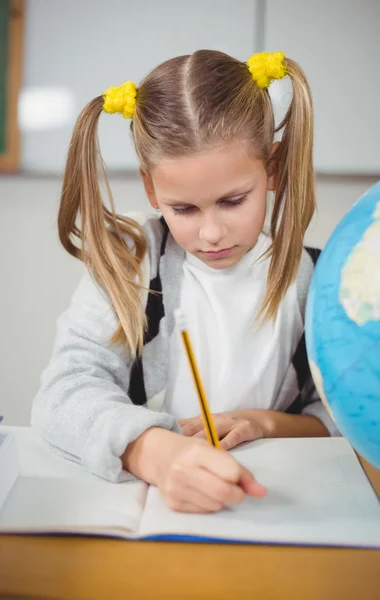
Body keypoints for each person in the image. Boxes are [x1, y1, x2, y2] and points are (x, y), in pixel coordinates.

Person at [32, 50, 338, 514]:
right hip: (149, 512)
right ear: (152, 190)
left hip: (275, 510)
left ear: (272, 169)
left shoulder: (319, 281)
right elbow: (63, 393)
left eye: (233, 201)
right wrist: (152, 451)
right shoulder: (131, 259)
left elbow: (344, 414)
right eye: (184, 209)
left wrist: (267, 424)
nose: (211, 233)